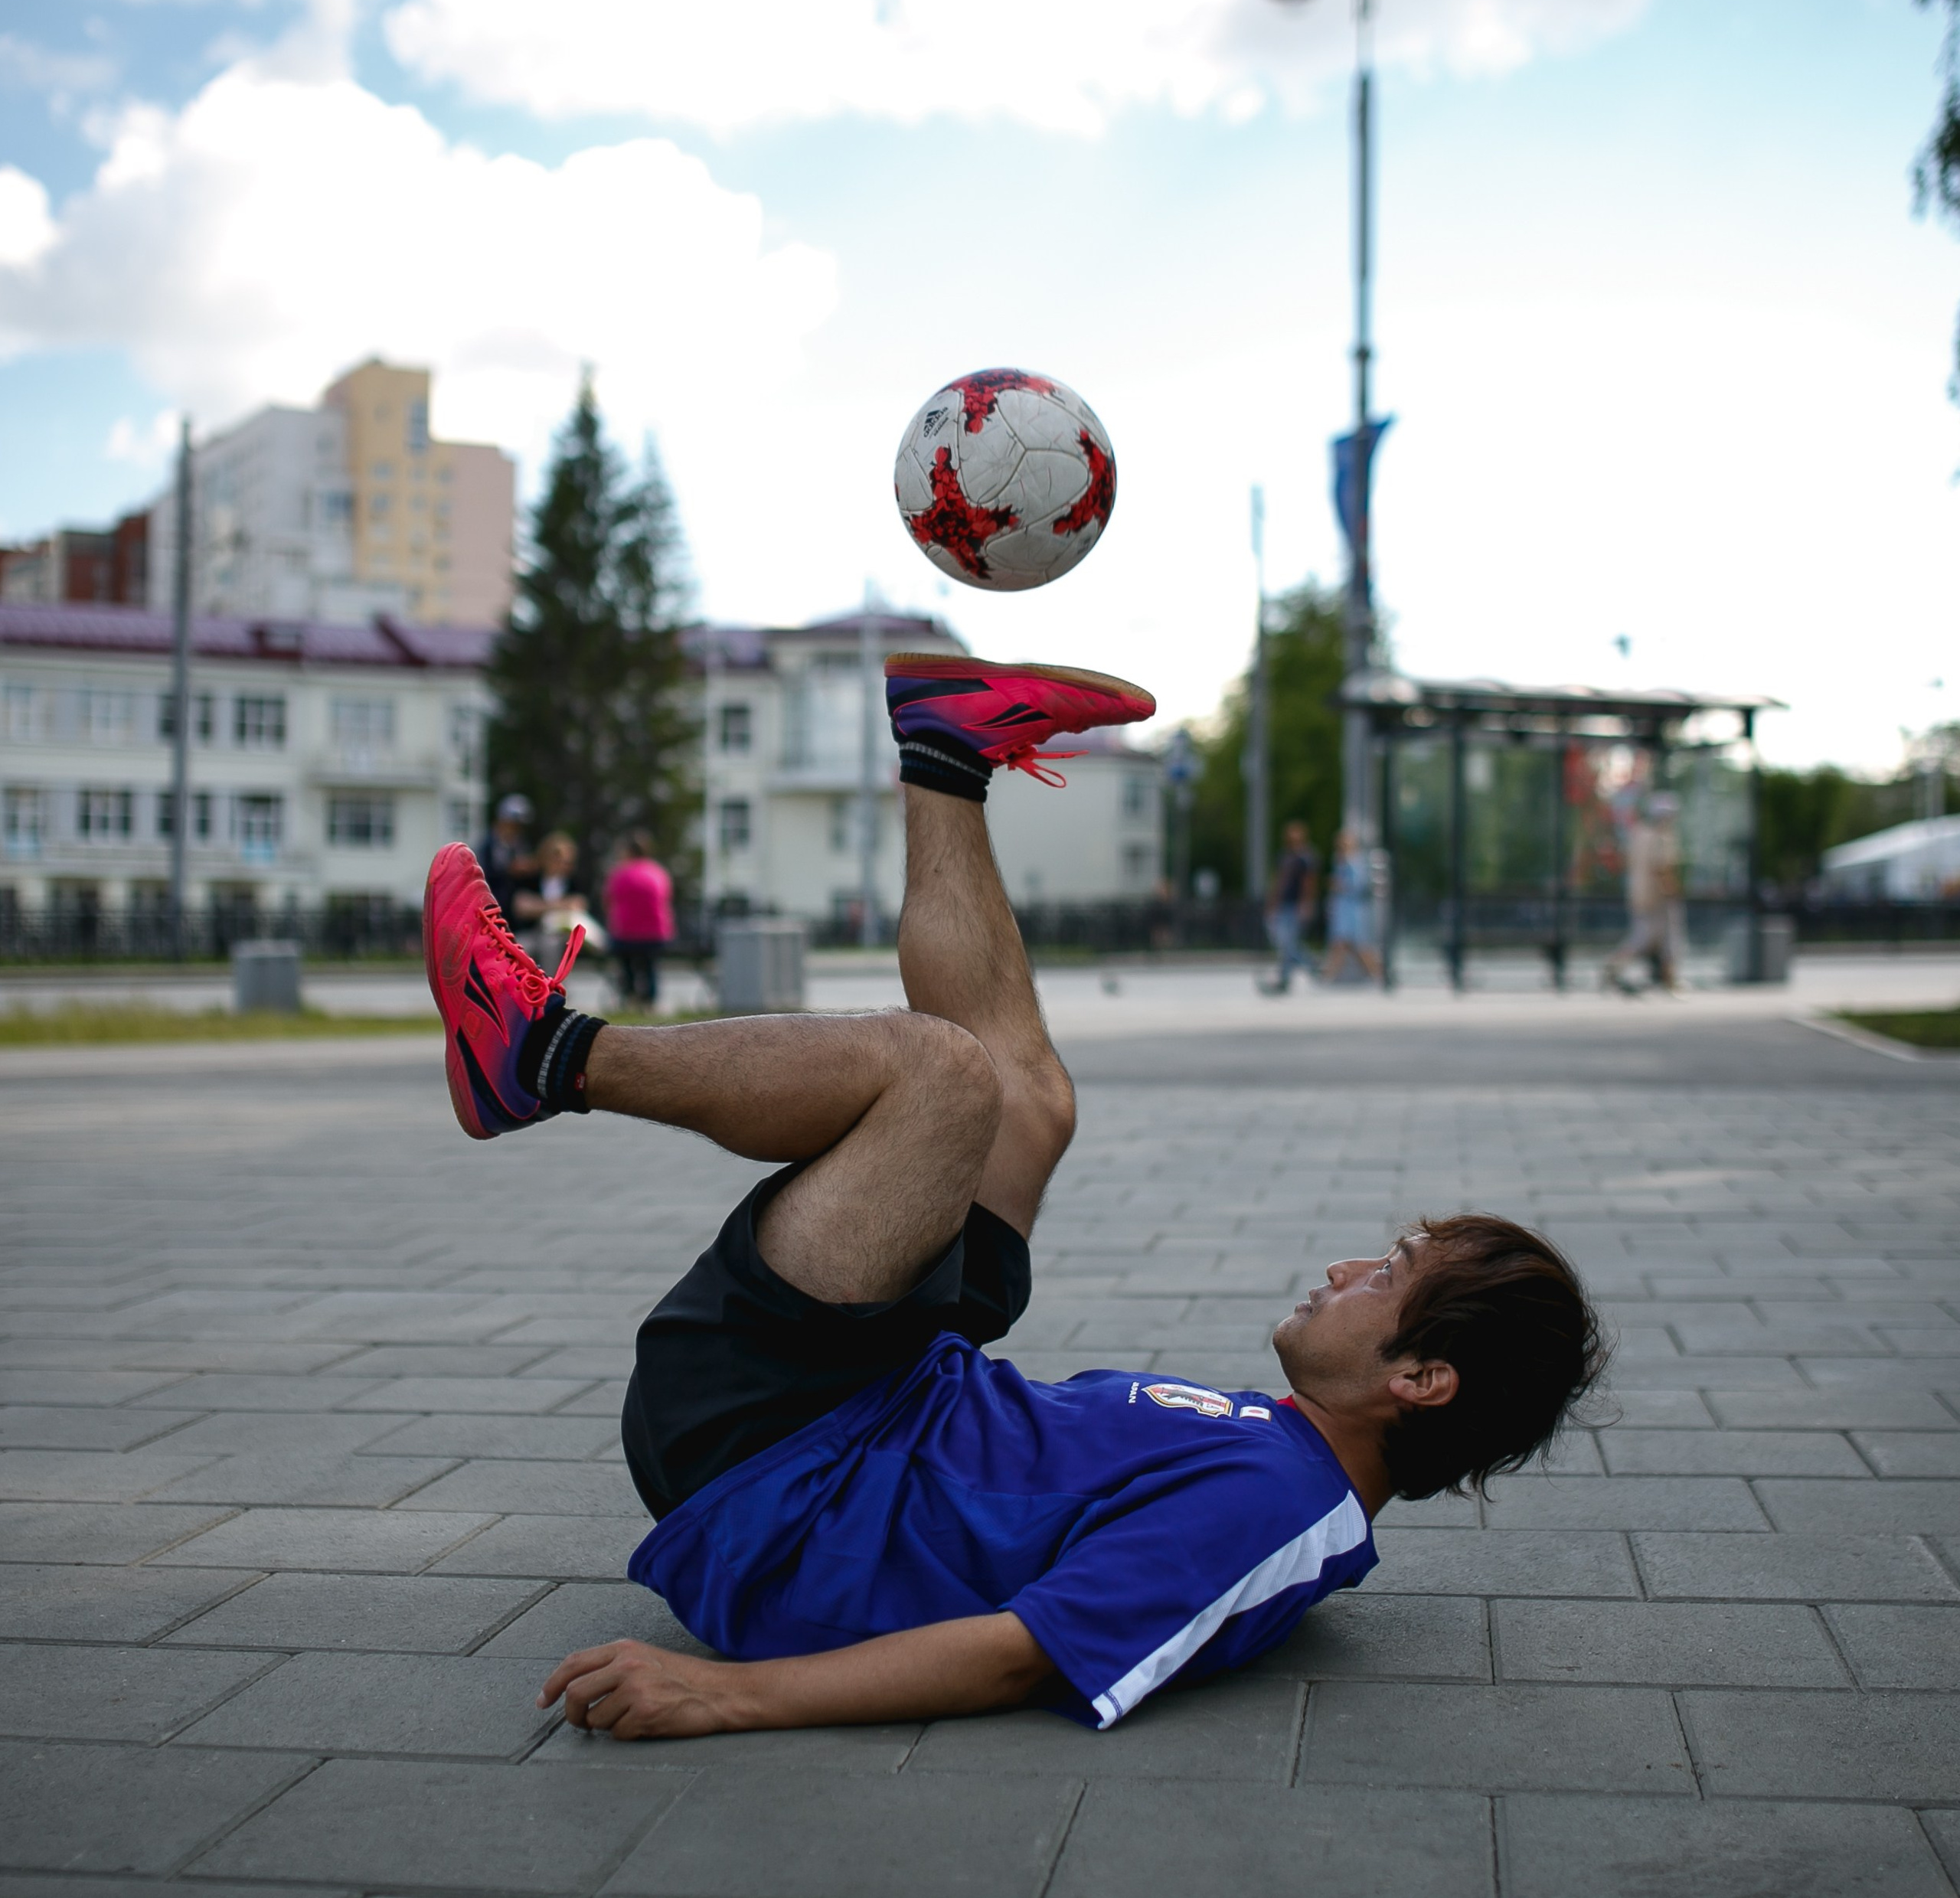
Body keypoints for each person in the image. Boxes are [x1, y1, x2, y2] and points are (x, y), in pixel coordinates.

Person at [422, 651, 1605, 1742]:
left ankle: (542, 1056)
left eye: (1391, 1273)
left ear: (1422, 1380)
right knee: (1029, 1100)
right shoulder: (1290, 1457)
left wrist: (731, 1696)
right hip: (885, 1401)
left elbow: (1022, 1656)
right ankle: (944, 754)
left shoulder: (1280, 1509)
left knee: (937, 1076)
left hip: (779, 1475)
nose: (1351, 1268)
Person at [1602, 792, 1684, 995]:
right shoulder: (1661, 837)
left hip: (1638, 896)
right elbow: (1662, 868)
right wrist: (1674, 892)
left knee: (1645, 939)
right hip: (1658, 899)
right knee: (1668, 941)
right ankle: (1670, 982)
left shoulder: (1638, 834)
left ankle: (1616, 967)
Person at [606, 831, 676, 1008]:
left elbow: (608, 900)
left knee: (627, 968)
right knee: (650, 968)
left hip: (626, 934)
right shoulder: (658, 873)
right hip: (656, 933)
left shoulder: (620, 873)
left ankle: (629, 996)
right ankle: (649, 1001)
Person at [1259, 821, 1320, 994]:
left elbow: (1309, 883)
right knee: (1285, 944)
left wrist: (1306, 903)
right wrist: (1272, 902)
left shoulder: (1306, 857)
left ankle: (1286, 979)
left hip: (1295, 905)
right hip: (1283, 904)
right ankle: (1310, 964)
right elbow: (1278, 882)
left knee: (1288, 944)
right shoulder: (1284, 856)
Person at [1321, 828, 1383, 985]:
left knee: (1357, 947)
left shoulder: (1355, 862)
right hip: (1343, 910)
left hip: (1352, 911)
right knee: (1344, 946)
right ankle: (1327, 978)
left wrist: (1340, 886)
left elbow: (1358, 886)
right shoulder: (1339, 861)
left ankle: (1379, 976)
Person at [513, 831, 592, 957]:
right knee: (519, 945)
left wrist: (538, 906)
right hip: (531, 931)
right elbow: (522, 908)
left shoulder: (573, 883)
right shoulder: (531, 879)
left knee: (550, 945)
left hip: (560, 936)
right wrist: (561, 905)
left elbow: (579, 905)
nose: (562, 865)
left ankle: (550, 978)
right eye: (557, 859)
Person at [473, 794, 535, 926]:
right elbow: (482, 877)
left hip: (512, 915)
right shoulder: (488, 847)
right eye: (513, 825)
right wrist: (509, 870)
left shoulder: (520, 845)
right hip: (490, 910)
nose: (516, 830)